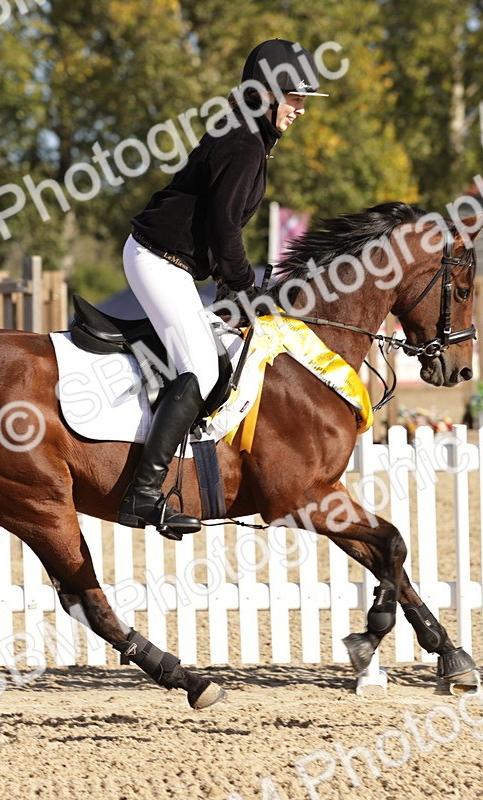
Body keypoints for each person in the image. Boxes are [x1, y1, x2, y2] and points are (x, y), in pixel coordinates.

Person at [117, 39, 327, 537]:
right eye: (294, 98)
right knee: (202, 366)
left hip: (173, 263)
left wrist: (239, 287)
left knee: (218, 357)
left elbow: (222, 226)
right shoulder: (242, 142)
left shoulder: (249, 136)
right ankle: (143, 494)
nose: (300, 110)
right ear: (268, 94)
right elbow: (224, 224)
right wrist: (240, 286)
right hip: (156, 258)